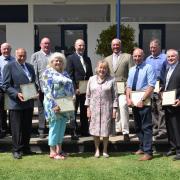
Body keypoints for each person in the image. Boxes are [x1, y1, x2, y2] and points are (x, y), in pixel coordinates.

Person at [2, 48, 36, 159]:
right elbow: (6, 85)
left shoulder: (30, 67)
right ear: (16, 55)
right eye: (19, 56)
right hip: (16, 102)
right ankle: (16, 150)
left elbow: (33, 82)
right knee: (16, 128)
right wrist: (17, 94)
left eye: (23, 56)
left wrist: (35, 92)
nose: (22, 58)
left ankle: (26, 148)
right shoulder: (9, 66)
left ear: (26, 55)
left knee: (27, 126)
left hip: (29, 101)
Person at [42, 52, 75, 160]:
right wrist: (54, 105)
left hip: (65, 104)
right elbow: (47, 92)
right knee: (55, 127)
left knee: (61, 127)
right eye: (56, 60)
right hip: (54, 105)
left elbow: (70, 89)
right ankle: (52, 152)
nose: (58, 62)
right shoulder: (47, 73)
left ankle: (59, 150)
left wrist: (71, 99)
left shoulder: (64, 73)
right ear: (51, 62)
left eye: (60, 61)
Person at [126, 48, 156, 161]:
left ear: (143, 56)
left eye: (139, 56)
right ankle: (142, 148)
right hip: (134, 102)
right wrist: (128, 98)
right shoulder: (132, 69)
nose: (137, 58)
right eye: (135, 56)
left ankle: (149, 152)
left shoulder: (149, 68)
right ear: (132, 57)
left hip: (144, 102)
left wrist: (142, 100)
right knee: (138, 127)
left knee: (146, 127)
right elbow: (128, 86)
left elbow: (151, 86)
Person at [85, 60, 118, 158]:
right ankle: (97, 150)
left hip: (107, 108)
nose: (102, 70)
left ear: (107, 69)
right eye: (100, 67)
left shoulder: (112, 80)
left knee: (105, 130)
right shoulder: (91, 79)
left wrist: (115, 109)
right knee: (95, 130)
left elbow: (115, 96)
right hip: (94, 108)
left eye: (104, 68)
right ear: (97, 68)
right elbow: (88, 95)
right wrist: (88, 109)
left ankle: (105, 150)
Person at [104, 38, 134, 141]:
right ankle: (117, 129)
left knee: (123, 105)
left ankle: (125, 132)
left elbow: (131, 74)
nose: (115, 47)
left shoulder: (127, 57)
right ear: (111, 46)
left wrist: (128, 87)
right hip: (111, 89)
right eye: (114, 45)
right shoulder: (107, 59)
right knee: (114, 109)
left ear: (120, 45)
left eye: (117, 45)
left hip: (123, 89)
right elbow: (105, 74)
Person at [66, 39, 93, 137]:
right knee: (73, 111)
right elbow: (69, 75)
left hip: (86, 89)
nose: (81, 47)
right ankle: (73, 132)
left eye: (83, 45)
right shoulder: (70, 58)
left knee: (84, 110)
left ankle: (84, 130)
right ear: (75, 46)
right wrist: (74, 88)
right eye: (79, 46)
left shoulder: (87, 59)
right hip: (76, 90)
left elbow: (90, 75)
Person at [146, 39, 167, 140]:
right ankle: (155, 129)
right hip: (151, 86)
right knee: (153, 108)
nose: (152, 49)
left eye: (154, 47)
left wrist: (164, 87)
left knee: (161, 109)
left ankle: (163, 130)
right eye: (151, 48)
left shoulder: (165, 58)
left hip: (161, 86)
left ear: (159, 47)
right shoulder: (148, 59)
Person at [161, 49, 180, 161]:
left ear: (177, 57)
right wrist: (161, 90)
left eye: (172, 56)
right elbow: (165, 84)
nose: (170, 58)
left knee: (177, 127)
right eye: (168, 57)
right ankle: (172, 147)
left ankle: (179, 150)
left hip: (176, 103)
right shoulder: (168, 68)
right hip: (167, 103)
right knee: (169, 127)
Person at [31, 37, 51, 138]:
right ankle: (41, 130)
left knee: (52, 108)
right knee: (41, 109)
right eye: (44, 43)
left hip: (52, 89)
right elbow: (34, 73)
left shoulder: (54, 56)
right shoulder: (35, 55)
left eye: (48, 43)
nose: (46, 45)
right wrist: (37, 88)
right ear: (40, 44)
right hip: (41, 88)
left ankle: (52, 128)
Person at [0, 43, 15, 137]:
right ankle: (3, 129)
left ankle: (12, 130)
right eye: (4, 49)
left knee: (12, 110)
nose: (6, 51)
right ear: (1, 50)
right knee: (1, 111)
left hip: (12, 89)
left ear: (10, 50)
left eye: (8, 49)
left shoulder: (14, 60)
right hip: (1, 89)